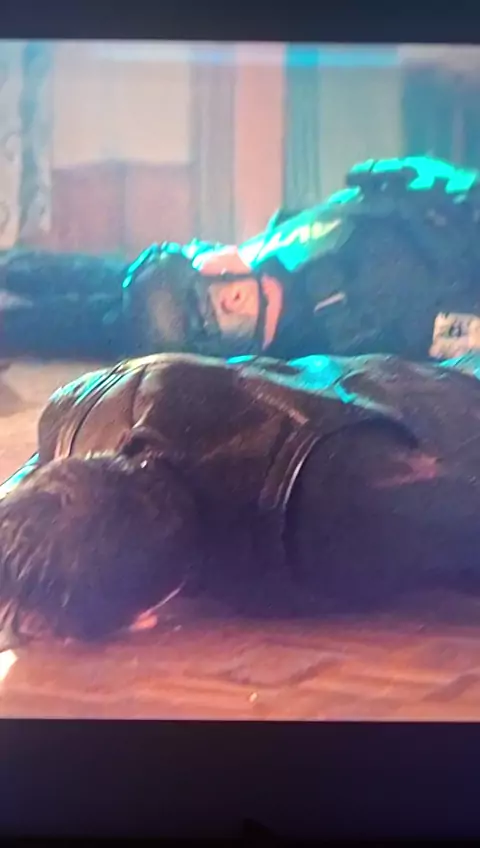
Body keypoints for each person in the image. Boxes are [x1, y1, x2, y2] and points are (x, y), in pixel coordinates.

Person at [1, 348, 480, 649]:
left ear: (143, 617)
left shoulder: (341, 508)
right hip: (382, 383)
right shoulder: (74, 415)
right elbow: (24, 511)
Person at [126, 156, 480, 361]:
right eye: (196, 258)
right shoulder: (366, 311)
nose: (202, 246)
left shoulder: (269, 256)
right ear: (232, 298)